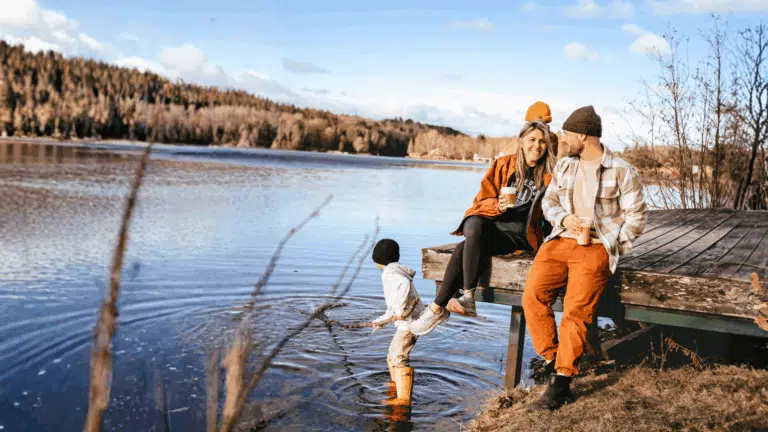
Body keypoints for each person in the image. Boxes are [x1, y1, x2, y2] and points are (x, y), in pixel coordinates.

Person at [522, 105, 647, 411]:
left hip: (595, 248)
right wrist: (564, 219)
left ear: (582, 135)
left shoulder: (622, 170)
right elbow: (549, 202)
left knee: (576, 311)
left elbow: (636, 217)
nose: (562, 139)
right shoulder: (565, 165)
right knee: (532, 297)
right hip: (559, 241)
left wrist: (611, 245)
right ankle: (554, 359)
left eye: (566, 134)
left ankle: (561, 384)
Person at [409, 106, 558, 337]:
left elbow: (554, 211)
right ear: (521, 141)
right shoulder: (503, 165)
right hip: (494, 227)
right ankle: (464, 297)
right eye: (531, 140)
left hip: (519, 237)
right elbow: (481, 201)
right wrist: (497, 206)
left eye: (542, 141)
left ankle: (438, 308)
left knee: (463, 248)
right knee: (474, 224)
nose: (536, 146)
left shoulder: (551, 174)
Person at [369, 238, 425, 406]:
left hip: (410, 323)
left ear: (377, 259)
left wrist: (400, 311)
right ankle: (396, 385)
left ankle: (403, 400)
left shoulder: (389, 274)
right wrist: (381, 321)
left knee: (399, 356)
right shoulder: (396, 270)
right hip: (410, 320)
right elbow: (393, 307)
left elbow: (404, 284)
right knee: (392, 355)